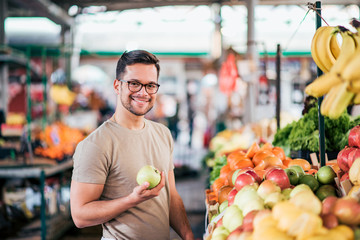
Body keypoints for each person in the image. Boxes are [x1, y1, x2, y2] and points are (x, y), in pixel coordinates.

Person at [70, 50, 194, 240]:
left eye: (150, 85)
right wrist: (132, 200)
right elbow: (80, 216)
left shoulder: (163, 134)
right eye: (134, 84)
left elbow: (172, 196)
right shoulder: (96, 144)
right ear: (117, 86)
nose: (143, 92)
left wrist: (188, 236)